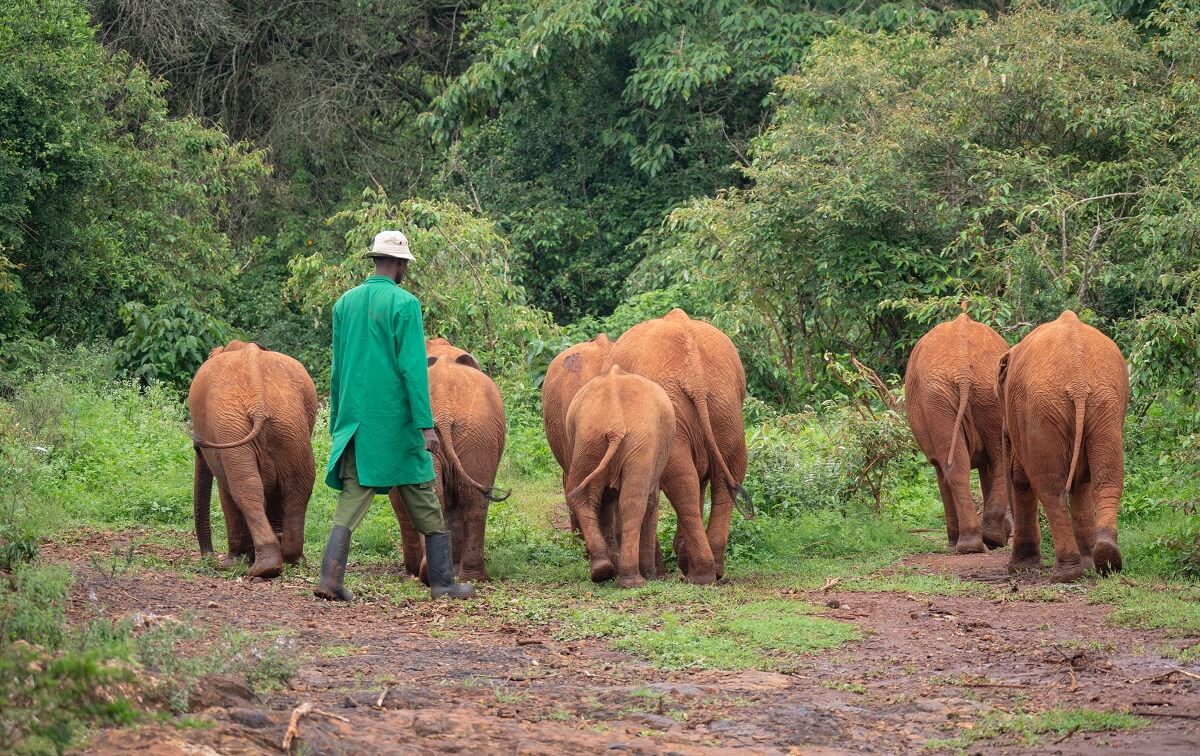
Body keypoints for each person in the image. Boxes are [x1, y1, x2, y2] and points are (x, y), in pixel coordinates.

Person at [314, 230, 475, 600]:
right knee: (422, 493)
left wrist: (339, 421)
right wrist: (425, 425)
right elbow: (412, 371)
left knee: (352, 499)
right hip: (397, 425)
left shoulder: (344, 304)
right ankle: (443, 583)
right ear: (401, 264)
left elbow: (337, 369)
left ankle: (330, 579)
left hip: (357, 423)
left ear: (375, 259)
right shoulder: (405, 304)